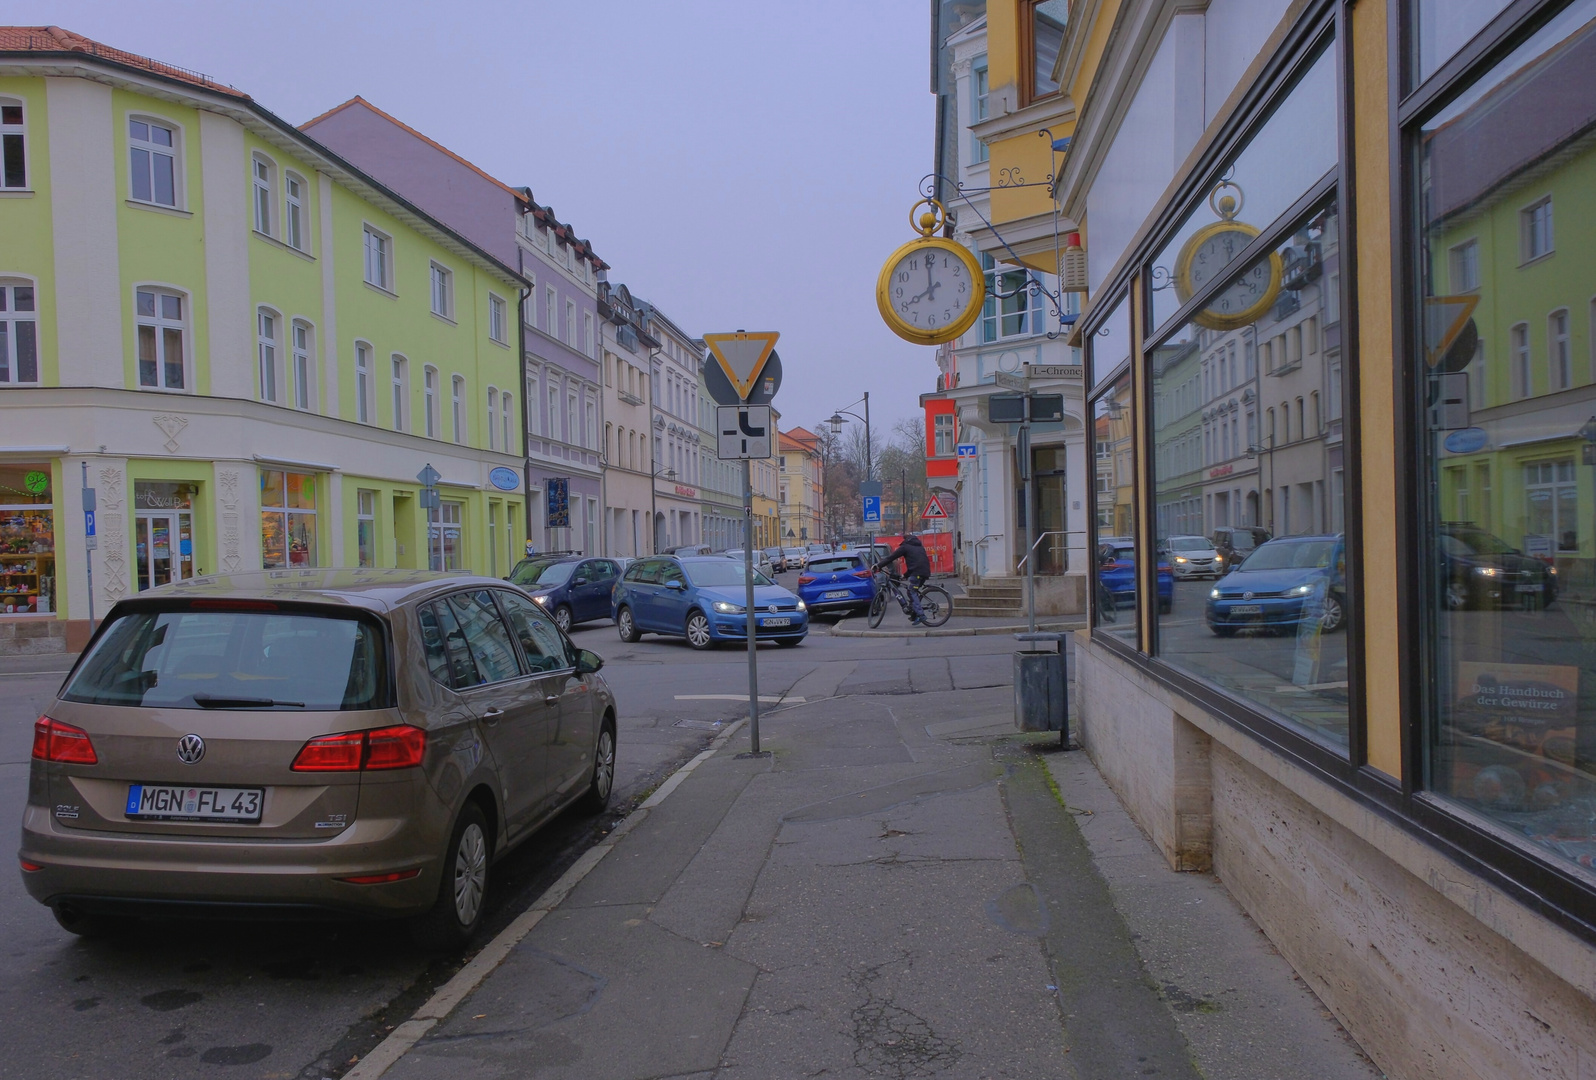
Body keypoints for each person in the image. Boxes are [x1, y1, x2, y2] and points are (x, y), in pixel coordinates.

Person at [873, 533, 932, 624]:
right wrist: (906, 575)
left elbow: (891, 557)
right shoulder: (919, 546)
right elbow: (916, 562)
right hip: (924, 572)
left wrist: (878, 565)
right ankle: (914, 615)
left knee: (911, 591)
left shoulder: (905, 547)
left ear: (905, 539)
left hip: (917, 573)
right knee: (912, 591)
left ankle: (921, 615)